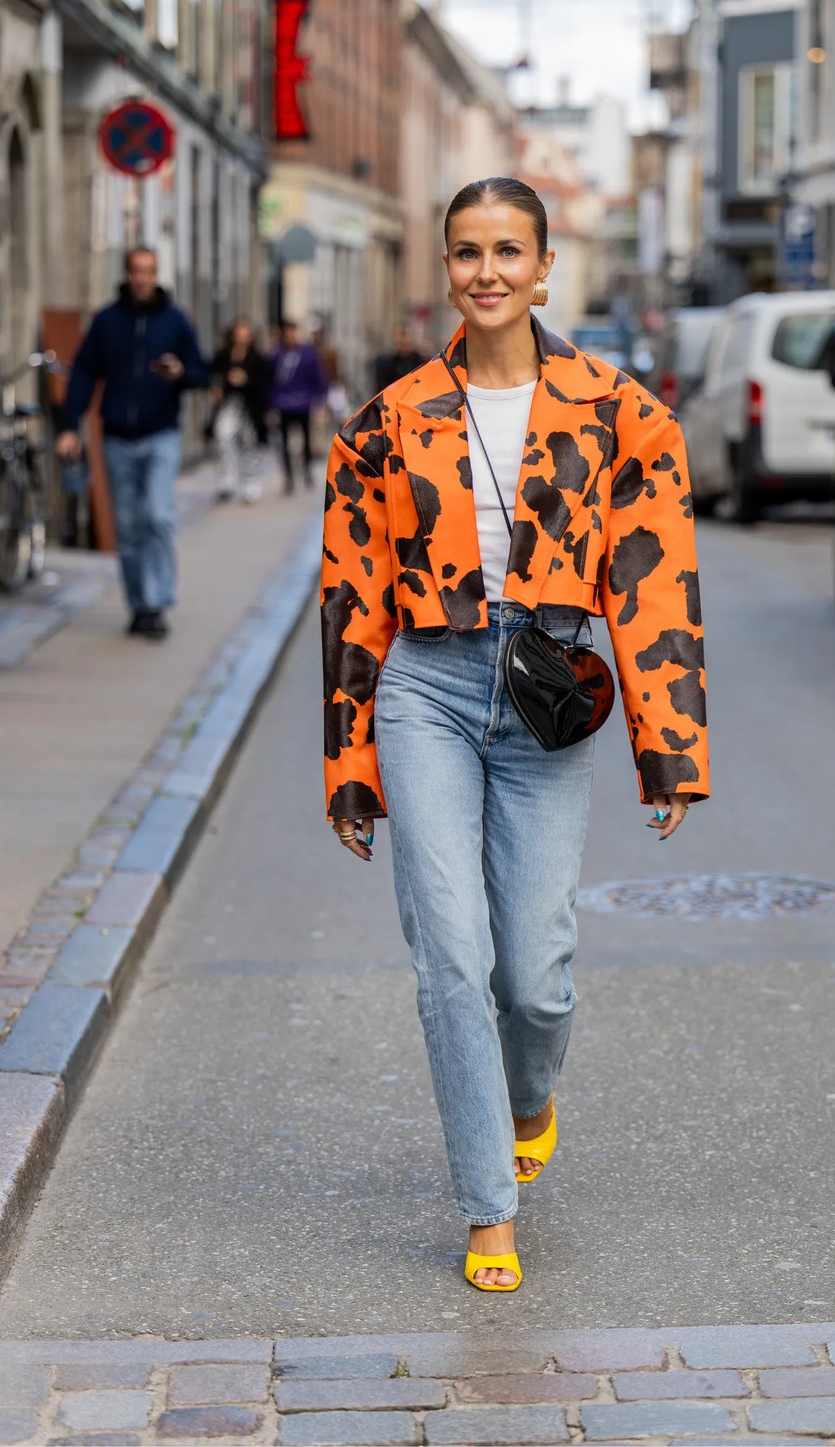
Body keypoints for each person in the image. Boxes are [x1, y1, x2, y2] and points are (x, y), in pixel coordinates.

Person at [320, 177, 709, 1293]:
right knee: (451, 954)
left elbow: (654, 581)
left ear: (545, 269)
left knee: (535, 974)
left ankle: (531, 1094)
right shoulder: (388, 422)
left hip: (544, 694)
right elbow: (351, 597)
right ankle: (488, 1207)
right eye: (464, 252)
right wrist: (351, 765)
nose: (484, 271)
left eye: (506, 251)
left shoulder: (620, 411)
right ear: (446, 269)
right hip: (425, 688)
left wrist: (669, 744)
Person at [56, 247, 209, 641]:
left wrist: (179, 373)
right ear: (127, 274)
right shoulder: (107, 321)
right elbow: (84, 373)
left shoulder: (174, 320)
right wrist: (70, 425)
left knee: (158, 516)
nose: (143, 278)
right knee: (127, 526)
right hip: (118, 438)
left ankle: (158, 602)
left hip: (161, 434)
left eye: (150, 271)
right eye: (137, 271)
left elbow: (199, 371)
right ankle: (139, 604)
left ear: (157, 274)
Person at [208, 317, 271, 504]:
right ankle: (227, 479)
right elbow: (213, 374)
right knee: (223, 436)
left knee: (249, 443)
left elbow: (265, 381)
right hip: (230, 403)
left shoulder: (257, 357)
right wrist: (218, 387)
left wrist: (246, 380)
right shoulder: (224, 355)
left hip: (251, 406)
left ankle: (251, 482)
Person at [268, 321, 325, 493]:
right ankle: (289, 477)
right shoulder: (276, 355)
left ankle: (306, 470)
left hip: (303, 404)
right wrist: (272, 402)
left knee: (305, 440)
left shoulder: (308, 355)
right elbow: (271, 381)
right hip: (283, 405)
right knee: (284, 442)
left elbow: (317, 379)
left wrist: (317, 400)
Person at [373, 326, 427, 394]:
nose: (404, 348)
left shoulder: (421, 363)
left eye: (406, 344)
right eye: (401, 344)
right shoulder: (387, 364)